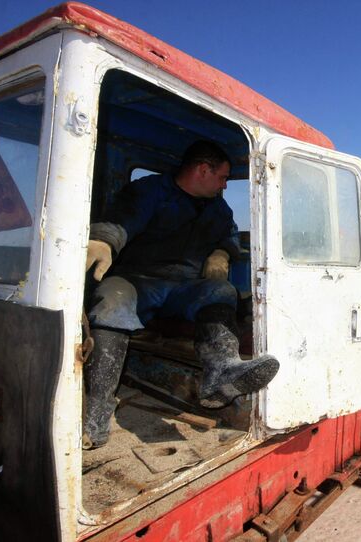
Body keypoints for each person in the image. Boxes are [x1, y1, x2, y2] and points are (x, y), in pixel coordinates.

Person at [83, 140, 279, 449]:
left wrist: (221, 253)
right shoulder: (149, 191)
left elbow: (229, 236)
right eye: (223, 177)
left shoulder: (218, 208)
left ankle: (221, 375)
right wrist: (104, 241)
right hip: (137, 281)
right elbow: (122, 220)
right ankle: (95, 415)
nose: (225, 184)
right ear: (203, 170)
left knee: (220, 290)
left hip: (182, 287)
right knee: (111, 302)